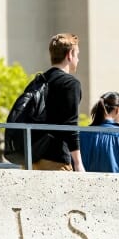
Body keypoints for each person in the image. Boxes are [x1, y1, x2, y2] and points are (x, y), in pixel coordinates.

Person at [32, 33, 84, 171]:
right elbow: (70, 124)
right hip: (55, 160)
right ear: (69, 55)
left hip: (31, 158)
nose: (78, 59)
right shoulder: (70, 83)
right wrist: (78, 164)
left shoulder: (38, 80)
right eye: (77, 55)